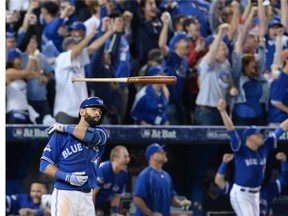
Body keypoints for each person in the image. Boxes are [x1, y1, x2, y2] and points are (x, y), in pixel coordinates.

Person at [217, 98, 288, 216]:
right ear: (250, 138)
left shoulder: (265, 146)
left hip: (256, 193)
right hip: (241, 194)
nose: (261, 135)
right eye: (257, 134)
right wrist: (223, 111)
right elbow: (231, 131)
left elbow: (280, 129)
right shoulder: (241, 149)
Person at [39, 96, 108, 216]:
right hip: (65, 193)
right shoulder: (61, 136)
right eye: (94, 109)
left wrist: (64, 127)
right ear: (82, 111)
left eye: (100, 111)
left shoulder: (101, 134)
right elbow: (44, 164)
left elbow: (88, 136)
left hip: (87, 195)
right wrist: (67, 177)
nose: (97, 113)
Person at [214, 152, 288, 216]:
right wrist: (224, 163)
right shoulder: (239, 190)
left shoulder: (268, 190)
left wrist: (284, 161)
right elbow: (219, 180)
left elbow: (284, 180)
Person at [133, 143, 191, 215]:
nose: (164, 153)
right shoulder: (146, 175)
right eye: (160, 151)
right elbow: (137, 199)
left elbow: (171, 198)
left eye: (163, 151)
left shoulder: (166, 176)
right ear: (152, 156)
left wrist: (181, 203)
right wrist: (151, 214)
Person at [92, 145, 130, 216]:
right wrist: (92, 212)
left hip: (106, 204)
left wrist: (115, 213)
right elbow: (92, 194)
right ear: (115, 158)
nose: (128, 159)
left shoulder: (124, 173)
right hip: (91, 203)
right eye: (125, 156)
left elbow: (117, 196)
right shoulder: (103, 169)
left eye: (128, 156)